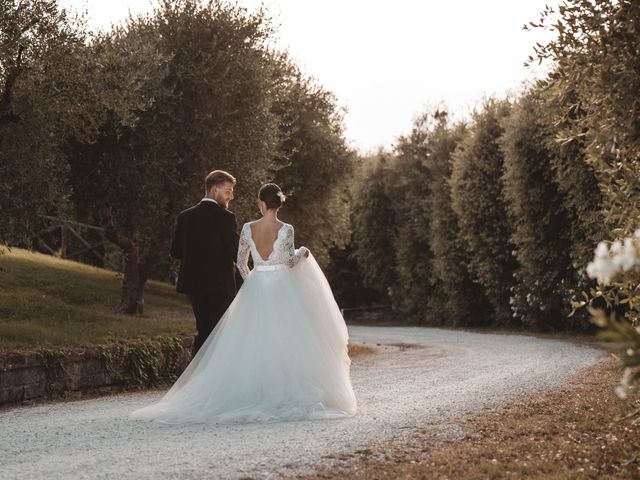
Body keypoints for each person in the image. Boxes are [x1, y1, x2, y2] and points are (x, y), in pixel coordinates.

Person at [131, 183, 356, 424]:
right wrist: (303, 252)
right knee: (284, 337)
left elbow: (241, 263)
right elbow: (290, 261)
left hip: (257, 283)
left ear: (261, 203)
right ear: (278, 204)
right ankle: (280, 386)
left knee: (250, 339)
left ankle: (248, 389)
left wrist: (254, 282)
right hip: (281, 286)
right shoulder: (286, 228)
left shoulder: (248, 227)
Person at [170, 170, 238, 357]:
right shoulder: (226, 218)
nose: (231, 195)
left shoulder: (185, 216)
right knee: (218, 333)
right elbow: (237, 253)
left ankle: (196, 375)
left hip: (194, 285)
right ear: (215, 190)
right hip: (220, 287)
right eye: (228, 191)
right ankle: (206, 376)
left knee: (204, 330)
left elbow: (175, 252)